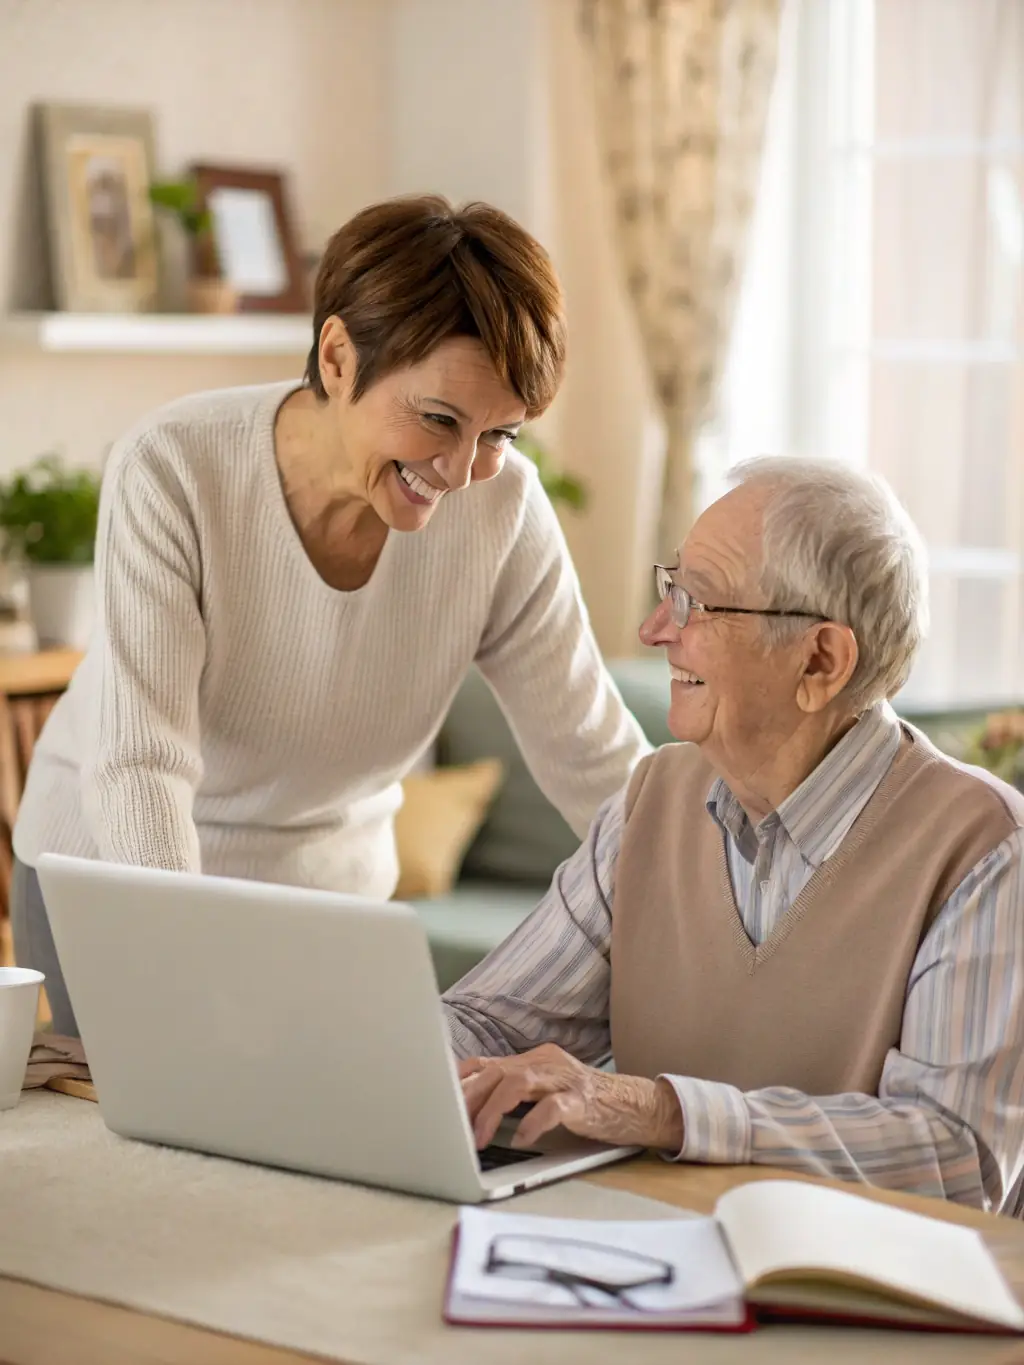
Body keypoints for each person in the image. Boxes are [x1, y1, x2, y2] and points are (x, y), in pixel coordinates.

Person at [12, 194, 649, 1037]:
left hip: (328, 910)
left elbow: (592, 753)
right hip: (118, 879)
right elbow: (141, 766)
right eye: (437, 419)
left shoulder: (502, 512)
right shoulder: (173, 469)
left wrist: (736, 901)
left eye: (502, 433)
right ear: (339, 355)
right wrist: (179, 983)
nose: (460, 471)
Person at [445, 457, 1024, 1215]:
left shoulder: (987, 849)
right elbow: (492, 1022)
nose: (655, 630)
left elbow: (955, 1157)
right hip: (661, 1262)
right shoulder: (651, 801)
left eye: (696, 604)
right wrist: (356, 1041)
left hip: (880, 1307)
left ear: (820, 660)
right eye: (669, 590)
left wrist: (665, 1110)